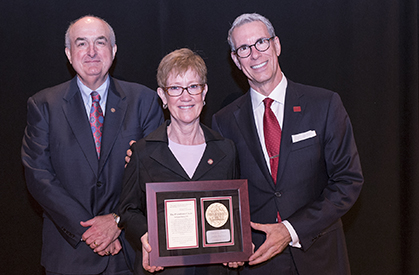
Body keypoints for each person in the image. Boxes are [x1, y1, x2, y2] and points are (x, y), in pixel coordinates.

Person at [211, 13, 363, 274]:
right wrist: (228, 243)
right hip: (257, 262)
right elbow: (222, 192)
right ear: (235, 60)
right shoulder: (223, 121)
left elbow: (348, 181)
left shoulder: (324, 105)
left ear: (276, 45)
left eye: (261, 42)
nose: (255, 54)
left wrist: (290, 230)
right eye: (244, 49)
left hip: (320, 256)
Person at [21, 15, 164, 275]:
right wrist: (90, 231)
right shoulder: (44, 105)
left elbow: (156, 175)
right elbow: (39, 176)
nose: (91, 52)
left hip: (130, 253)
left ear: (114, 50)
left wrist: (118, 221)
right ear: (68, 53)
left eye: (100, 42)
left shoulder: (144, 100)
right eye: (81, 44)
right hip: (69, 254)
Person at [118, 48, 240, 275]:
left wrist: (237, 244)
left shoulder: (226, 149)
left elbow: (234, 208)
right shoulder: (142, 151)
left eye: (193, 86)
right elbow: (127, 209)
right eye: (175, 88)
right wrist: (147, 237)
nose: (186, 96)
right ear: (163, 96)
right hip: (163, 269)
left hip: (213, 269)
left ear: (204, 92)